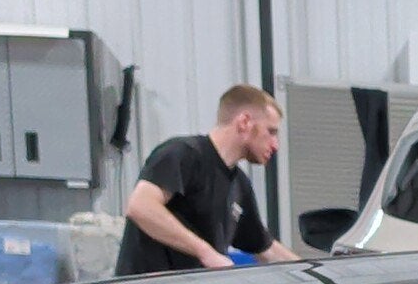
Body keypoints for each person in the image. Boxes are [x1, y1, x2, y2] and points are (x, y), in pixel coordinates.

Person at [116, 85, 299, 274]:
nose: (275, 145)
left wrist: (316, 274)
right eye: (271, 132)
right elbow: (140, 206)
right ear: (244, 122)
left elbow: (265, 248)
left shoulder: (239, 185)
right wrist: (206, 253)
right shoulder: (182, 154)